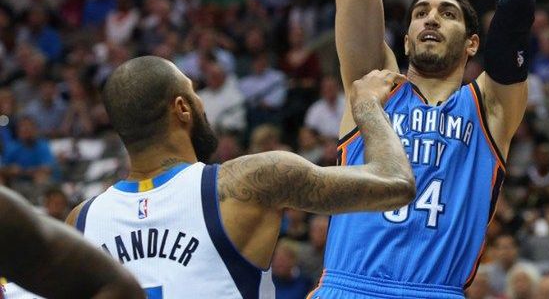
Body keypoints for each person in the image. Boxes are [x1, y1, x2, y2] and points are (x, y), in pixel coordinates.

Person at [314, 0, 532, 297]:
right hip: (348, 287)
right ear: (408, 41)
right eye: (420, 13)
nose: (432, 16)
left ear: (472, 44)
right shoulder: (374, 84)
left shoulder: (490, 106)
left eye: (447, 13)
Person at [66, 56, 416, 298]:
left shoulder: (81, 221)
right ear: (182, 109)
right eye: (194, 92)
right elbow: (396, 183)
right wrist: (367, 104)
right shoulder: (245, 184)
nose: (202, 104)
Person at [0, 185, 144, 299]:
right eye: (54, 203)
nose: (57, 206)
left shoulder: (8, 215)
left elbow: (120, 287)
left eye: (60, 203)